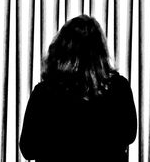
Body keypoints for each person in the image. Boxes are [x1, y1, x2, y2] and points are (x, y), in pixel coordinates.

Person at [19, 15, 137, 162]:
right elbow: (129, 134)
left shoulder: (44, 93)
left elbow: (28, 148)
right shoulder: (119, 88)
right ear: (100, 52)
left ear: (61, 50)